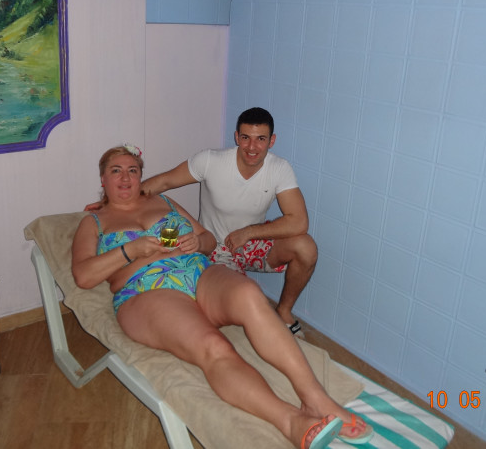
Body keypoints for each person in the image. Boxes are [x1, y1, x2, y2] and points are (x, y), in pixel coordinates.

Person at [72, 145, 373, 449]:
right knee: (213, 346)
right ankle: (291, 421)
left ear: (140, 176)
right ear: (103, 179)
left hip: (197, 272)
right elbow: (83, 276)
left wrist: (196, 241)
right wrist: (131, 250)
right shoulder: (94, 222)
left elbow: (208, 239)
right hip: (146, 290)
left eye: (132, 170)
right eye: (116, 171)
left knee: (249, 294)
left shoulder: (163, 201)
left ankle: (316, 399)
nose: (125, 177)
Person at [87, 107, 317, 337]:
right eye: (246, 138)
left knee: (305, 248)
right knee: (237, 300)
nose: (252, 147)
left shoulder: (279, 168)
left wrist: (248, 233)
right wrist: (116, 201)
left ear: (272, 141)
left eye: (261, 139)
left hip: (251, 242)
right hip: (214, 247)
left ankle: (283, 312)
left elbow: (299, 222)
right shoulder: (210, 160)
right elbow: (165, 182)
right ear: (237, 137)